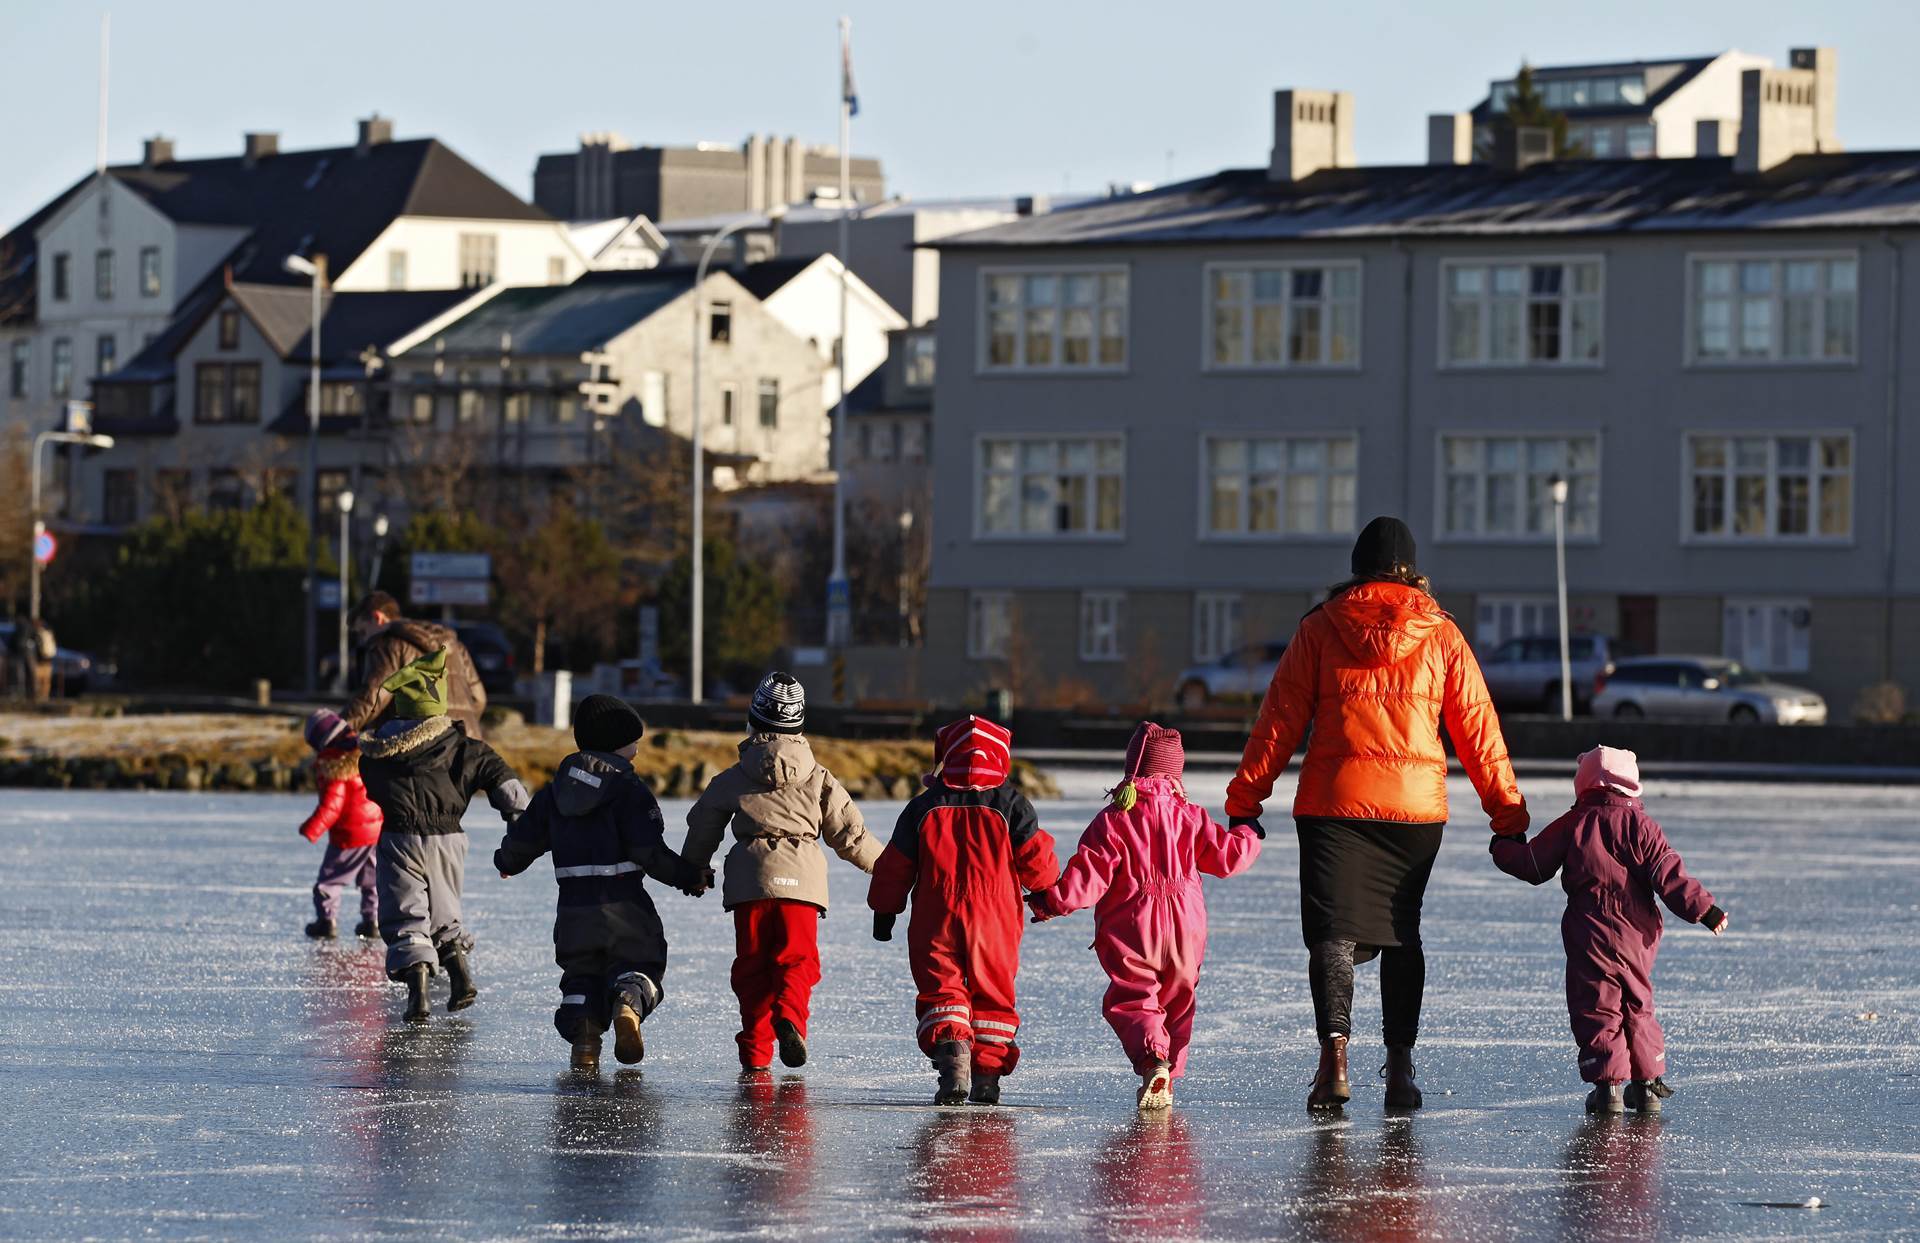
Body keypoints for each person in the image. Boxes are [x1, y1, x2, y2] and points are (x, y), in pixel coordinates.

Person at [1226, 516, 1528, 1112]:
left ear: (1358, 567)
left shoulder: (1320, 626)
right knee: (1401, 933)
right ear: (1412, 570)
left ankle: (1333, 1062)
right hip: (1413, 816)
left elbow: (1278, 721)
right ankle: (1400, 1070)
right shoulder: (1442, 634)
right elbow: (1478, 728)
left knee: (1333, 934)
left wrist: (1245, 803)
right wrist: (1508, 818)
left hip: (1334, 805)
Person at [1028, 722, 1262, 1111]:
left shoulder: (1115, 819)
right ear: (1176, 773)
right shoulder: (1191, 816)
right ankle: (1166, 1071)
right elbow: (1228, 856)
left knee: (1136, 998)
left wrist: (1051, 901)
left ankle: (1154, 1061)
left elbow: (1088, 875)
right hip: (1187, 929)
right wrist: (1248, 832)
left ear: (1133, 769)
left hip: (1133, 927)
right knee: (1179, 999)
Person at [1489, 745, 1728, 1114]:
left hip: (1590, 931)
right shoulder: (1642, 827)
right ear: (1631, 784)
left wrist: (1503, 847)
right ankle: (1647, 1086)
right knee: (1637, 1002)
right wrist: (1706, 910)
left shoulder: (1574, 823)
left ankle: (1608, 1089)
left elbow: (1534, 865)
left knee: (1597, 1004)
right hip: (1637, 933)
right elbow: (1670, 875)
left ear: (1583, 784)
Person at [494, 695, 713, 1073]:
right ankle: (628, 1002)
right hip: (625, 905)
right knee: (640, 962)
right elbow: (650, 852)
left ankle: (585, 1043)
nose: (638, 749)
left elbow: (523, 840)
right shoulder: (629, 791)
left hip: (574, 910)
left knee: (581, 977)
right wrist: (690, 876)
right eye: (633, 742)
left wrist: (506, 861)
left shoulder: (553, 792)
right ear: (617, 744)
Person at [683, 672, 883, 1072]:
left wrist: (693, 870)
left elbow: (703, 826)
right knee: (797, 961)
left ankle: (755, 1053)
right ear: (799, 724)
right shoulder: (819, 778)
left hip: (749, 885)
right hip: (802, 887)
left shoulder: (733, 778)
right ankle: (790, 1018)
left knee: (753, 966)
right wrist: (892, 870)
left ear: (754, 720)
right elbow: (851, 835)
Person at [868, 716, 1060, 1105]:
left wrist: (885, 910)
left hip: (935, 913)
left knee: (943, 989)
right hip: (996, 917)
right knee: (993, 994)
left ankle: (955, 1058)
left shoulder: (924, 806)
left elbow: (895, 865)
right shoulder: (1011, 805)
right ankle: (987, 1074)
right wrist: (1047, 892)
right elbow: (1038, 863)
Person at [358, 647, 528, 1021]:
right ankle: (461, 976)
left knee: (406, 916)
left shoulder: (378, 752)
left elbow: (370, 786)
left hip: (399, 837)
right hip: (449, 838)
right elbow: (498, 774)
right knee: (445, 911)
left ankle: (418, 996)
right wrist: (516, 816)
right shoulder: (464, 747)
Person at [342, 591, 487, 739]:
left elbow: (374, 696)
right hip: (466, 742)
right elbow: (479, 698)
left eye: (363, 631)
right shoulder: (456, 646)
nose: (363, 640)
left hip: (424, 746)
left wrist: (337, 729)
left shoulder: (390, 645)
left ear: (378, 618)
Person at [297, 709, 383, 940]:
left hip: (350, 835)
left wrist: (311, 828)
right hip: (376, 830)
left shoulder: (334, 766)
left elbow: (331, 807)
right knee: (373, 880)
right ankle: (372, 921)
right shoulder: (364, 755)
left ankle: (326, 921)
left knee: (330, 880)